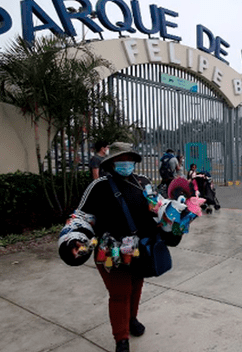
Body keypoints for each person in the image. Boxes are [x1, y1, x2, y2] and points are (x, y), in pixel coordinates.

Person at [57, 142, 183, 352]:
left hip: (140, 249)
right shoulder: (99, 186)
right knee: (120, 293)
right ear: (111, 162)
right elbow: (82, 216)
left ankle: (131, 319)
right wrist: (74, 239)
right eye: (120, 159)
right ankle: (121, 339)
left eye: (129, 159)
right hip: (111, 251)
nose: (126, 163)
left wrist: (177, 215)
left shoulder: (143, 182)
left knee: (136, 287)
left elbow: (159, 207)